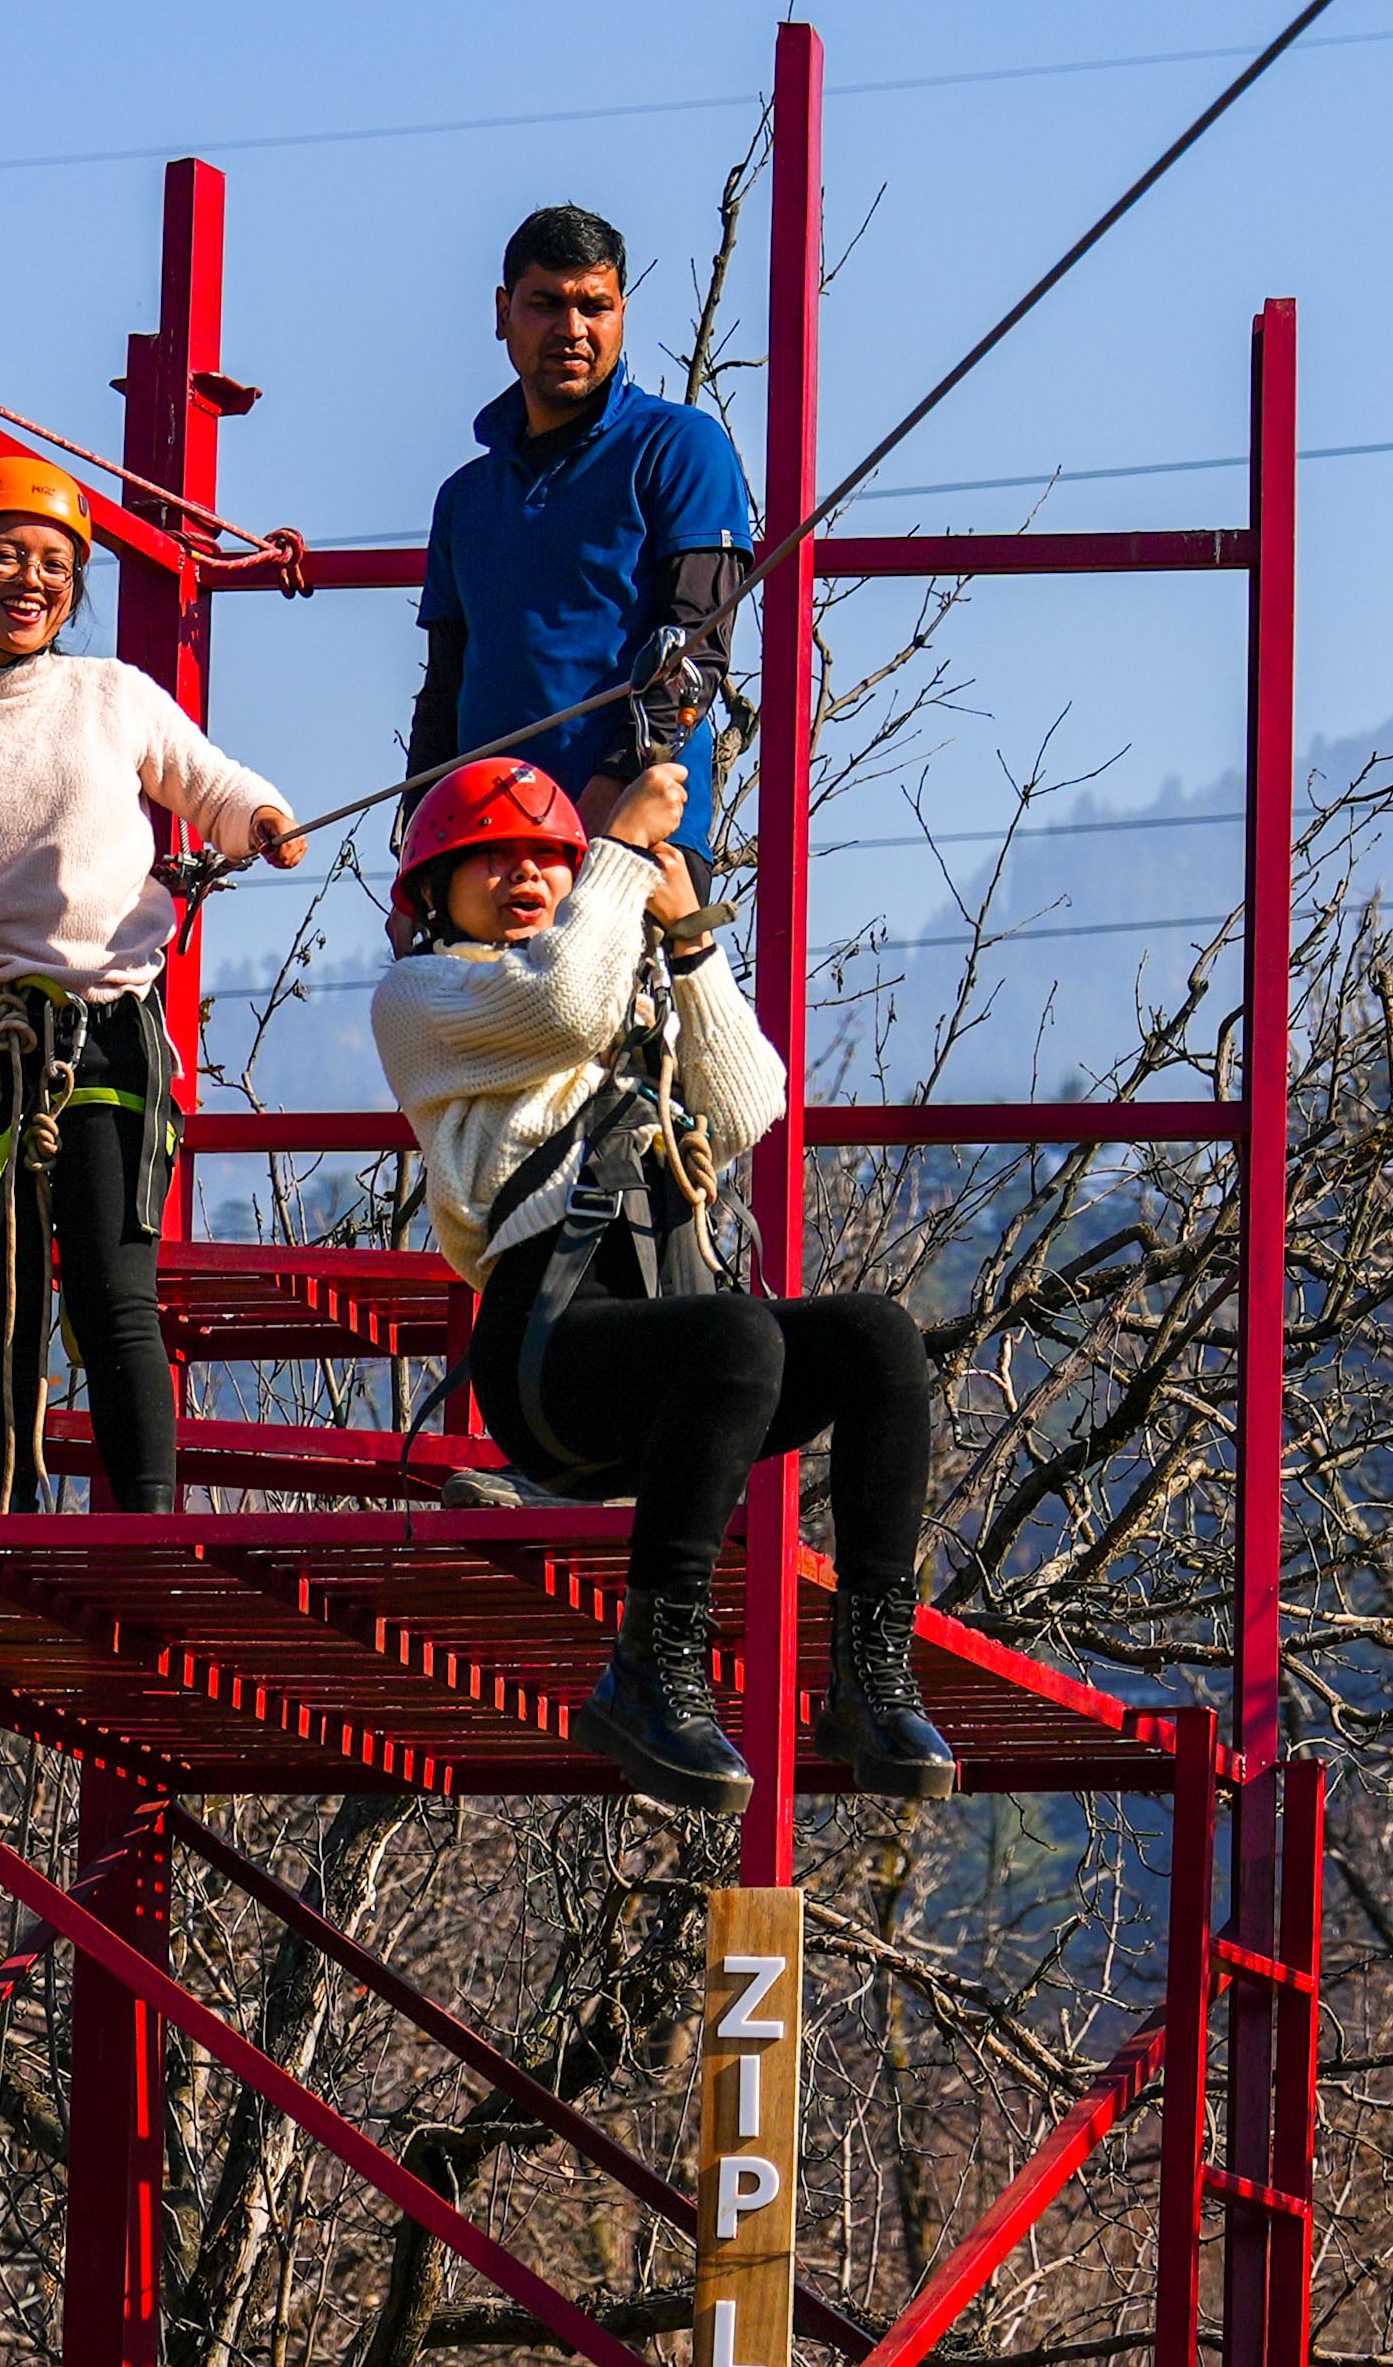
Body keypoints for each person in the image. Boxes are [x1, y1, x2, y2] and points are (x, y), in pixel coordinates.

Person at [371, 752, 955, 1814]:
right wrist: (617, 855)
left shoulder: (608, 990)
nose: (524, 876)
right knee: (738, 1335)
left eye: (544, 858)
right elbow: (561, 1012)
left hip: (672, 1347)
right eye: (490, 860)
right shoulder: (428, 996)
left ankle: (871, 1668)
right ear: (432, 895)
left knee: (877, 1336)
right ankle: (650, 1668)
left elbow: (742, 1108)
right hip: (549, 1352)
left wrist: (688, 948)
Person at [0, 453, 305, 1515]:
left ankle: (148, 1523)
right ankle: (1, 1514)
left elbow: (205, 780)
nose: (30, 580)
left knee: (114, 1293)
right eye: (5, 555)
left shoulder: (111, 696)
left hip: (110, 1027)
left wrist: (258, 817)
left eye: (54, 563)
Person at [407, 204, 753, 817]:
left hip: (638, 838)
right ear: (501, 313)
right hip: (485, 847)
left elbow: (696, 649)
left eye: (595, 306)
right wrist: (417, 846)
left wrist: (614, 792)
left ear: (622, 315)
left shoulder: (680, 447)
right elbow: (443, 692)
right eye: (545, 304)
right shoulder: (465, 499)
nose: (572, 327)